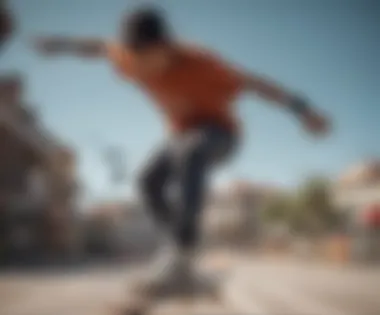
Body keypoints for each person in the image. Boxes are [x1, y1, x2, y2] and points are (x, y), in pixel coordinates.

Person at [31, 6, 329, 295]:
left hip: (221, 134)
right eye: (138, 58)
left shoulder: (203, 63)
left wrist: (304, 111)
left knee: (191, 152)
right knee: (147, 181)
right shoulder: (127, 58)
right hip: (180, 136)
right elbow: (97, 47)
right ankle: (177, 248)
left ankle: (184, 254)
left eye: (151, 58)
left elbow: (257, 84)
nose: (145, 67)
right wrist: (59, 45)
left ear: (168, 46)